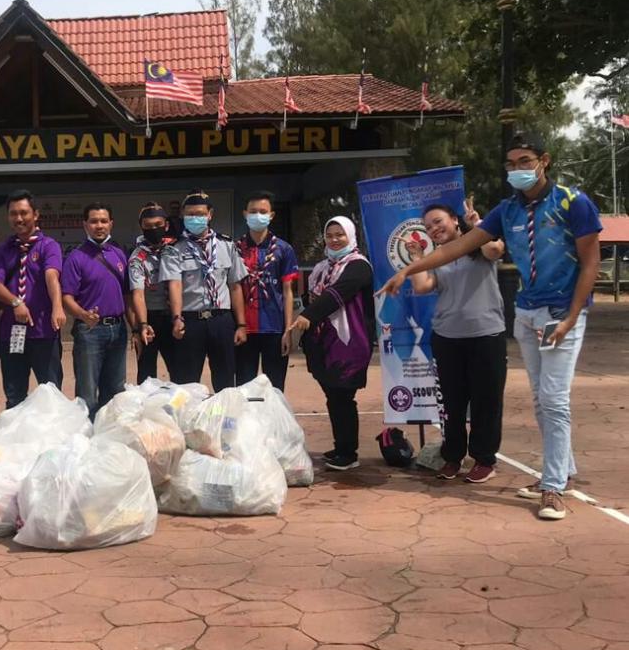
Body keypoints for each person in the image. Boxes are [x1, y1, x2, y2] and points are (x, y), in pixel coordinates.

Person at [380, 132, 602, 520]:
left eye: (525, 161)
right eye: (511, 163)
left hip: (560, 314)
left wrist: (570, 317)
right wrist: (409, 269)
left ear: (543, 161)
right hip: (528, 313)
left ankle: (552, 488)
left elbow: (590, 263)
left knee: (553, 400)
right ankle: (561, 471)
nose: (517, 169)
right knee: (540, 398)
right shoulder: (508, 211)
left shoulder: (573, 202)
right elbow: (452, 251)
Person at [404, 202, 507, 483]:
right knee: (451, 403)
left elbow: (495, 250)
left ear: (454, 220)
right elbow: (423, 287)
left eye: (438, 222)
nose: (434, 229)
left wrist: (478, 226)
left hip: (487, 335)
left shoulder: (480, 245)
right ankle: (453, 457)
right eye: (428, 227)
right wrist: (416, 258)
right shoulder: (439, 256)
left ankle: (484, 459)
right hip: (447, 337)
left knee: (486, 401)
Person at [288, 216, 375, 471]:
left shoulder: (359, 266)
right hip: (324, 340)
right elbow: (312, 295)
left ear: (351, 236)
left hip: (349, 341)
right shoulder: (323, 267)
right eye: (330, 235)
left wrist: (308, 315)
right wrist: (310, 301)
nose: (335, 239)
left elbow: (337, 294)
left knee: (343, 395)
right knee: (333, 395)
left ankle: (349, 452)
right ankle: (342, 446)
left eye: (340, 234)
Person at [161, 192, 248, 391]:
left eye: (200, 214)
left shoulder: (227, 245)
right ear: (182, 215)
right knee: (187, 382)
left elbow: (235, 286)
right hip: (191, 321)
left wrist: (241, 324)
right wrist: (177, 318)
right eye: (190, 214)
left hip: (222, 320)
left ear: (210, 215)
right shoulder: (174, 249)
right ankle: (189, 421)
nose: (195, 218)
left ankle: (223, 420)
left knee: (225, 381)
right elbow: (175, 285)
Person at [0, 190, 66, 408]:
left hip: (44, 331)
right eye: (13, 214)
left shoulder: (48, 246)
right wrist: (15, 302)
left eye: (24, 213)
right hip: (13, 333)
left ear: (36, 214)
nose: (19, 218)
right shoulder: (5, 249)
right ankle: (17, 440)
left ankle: (53, 440)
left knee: (50, 392)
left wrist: (57, 307)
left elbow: (52, 276)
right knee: (14, 395)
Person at [61, 202, 130, 419]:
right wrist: (83, 315)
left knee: (115, 391)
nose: (98, 225)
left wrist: (136, 326)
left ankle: (109, 439)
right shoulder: (76, 257)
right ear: (85, 225)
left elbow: (128, 295)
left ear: (111, 223)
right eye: (93, 221)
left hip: (118, 330)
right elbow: (66, 298)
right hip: (90, 332)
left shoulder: (120, 253)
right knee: (88, 393)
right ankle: (87, 441)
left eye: (103, 221)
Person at [235, 191, 299, 391]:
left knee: (275, 388)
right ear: (245, 214)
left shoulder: (284, 249)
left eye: (263, 211)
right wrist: (238, 325)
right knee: (244, 388)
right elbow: (233, 288)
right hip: (245, 329)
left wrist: (288, 331)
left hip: (274, 328)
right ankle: (247, 423)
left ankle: (275, 422)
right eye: (253, 211)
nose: (257, 215)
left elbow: (288, 292)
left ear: (271, 215)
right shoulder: (235, 249)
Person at [129, 203, 177, 383]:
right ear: (142, 227)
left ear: (166, 225)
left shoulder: (175, 249)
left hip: (175, 316)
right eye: (148, 227)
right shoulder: (137, 257)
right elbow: (138, 294)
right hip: (150, 318)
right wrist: (142, 325)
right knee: (147, 375)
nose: (154, 230)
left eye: (158, 225)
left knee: (179, 370)